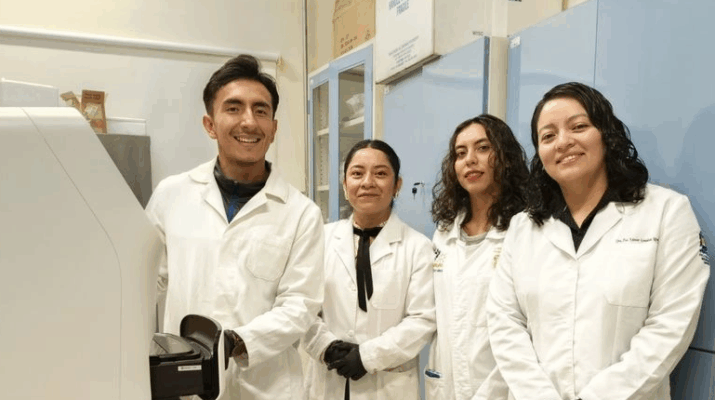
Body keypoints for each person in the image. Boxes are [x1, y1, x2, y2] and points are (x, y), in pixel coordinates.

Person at [486, 82, 710, 400]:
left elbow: (671, 323)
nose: (563, 142)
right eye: (548, 136)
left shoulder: (666, 212)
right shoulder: (524, 227)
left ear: (606, 134)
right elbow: (505, 322)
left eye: (578, 127)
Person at [145, 54, 324, 400]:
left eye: (261, 110)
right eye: (233, 108)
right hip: (185, 382)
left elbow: (300, 306)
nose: (249, 121)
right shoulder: (172, 195)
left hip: (266, 387)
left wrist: (234, 342)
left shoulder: (302, 213)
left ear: (273, 128)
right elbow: (146, 281)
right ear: (210, 124)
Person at [302, 140, 436, 399]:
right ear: (345, 184)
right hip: (327, 381)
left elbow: (422, 320)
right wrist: (325, 346)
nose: (367, 182)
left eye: (380, 173)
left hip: (387, 385)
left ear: (397, 185)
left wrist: (367, 357)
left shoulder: (418, 247)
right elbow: (302, 305)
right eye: (357, 173)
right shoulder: (320, 239)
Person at [425, 115, 529, 400]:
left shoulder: (525, 230)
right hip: (446, 384)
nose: (470, 160)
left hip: (503, 386)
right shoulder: (444, 234)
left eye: (483, 148)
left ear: (505, 157)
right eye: (460, 153)